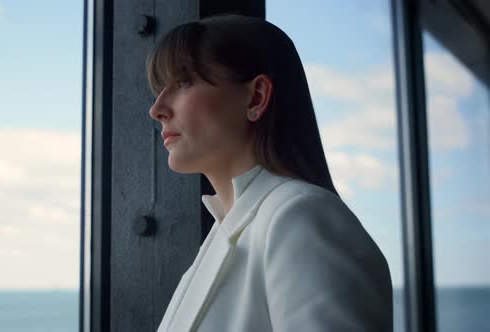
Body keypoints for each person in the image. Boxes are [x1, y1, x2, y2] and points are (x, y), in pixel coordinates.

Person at [147, 14, 392, 332]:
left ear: (257, 97)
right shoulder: (221, 238)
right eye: (159, 89)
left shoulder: (299, 216)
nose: (157, 109)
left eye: (183, 82)